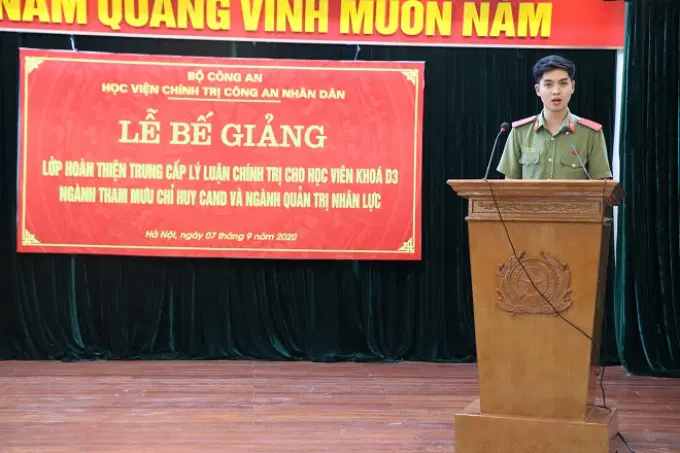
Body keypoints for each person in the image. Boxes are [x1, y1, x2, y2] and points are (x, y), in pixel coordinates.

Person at [496, 55, 613, 180]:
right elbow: (510, 185)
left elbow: (602, 185)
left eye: (563, 83)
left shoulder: (590, 134)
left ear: (572, 87)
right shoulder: (520, 132)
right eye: (548, 85)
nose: (556, 91)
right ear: (538, 90)